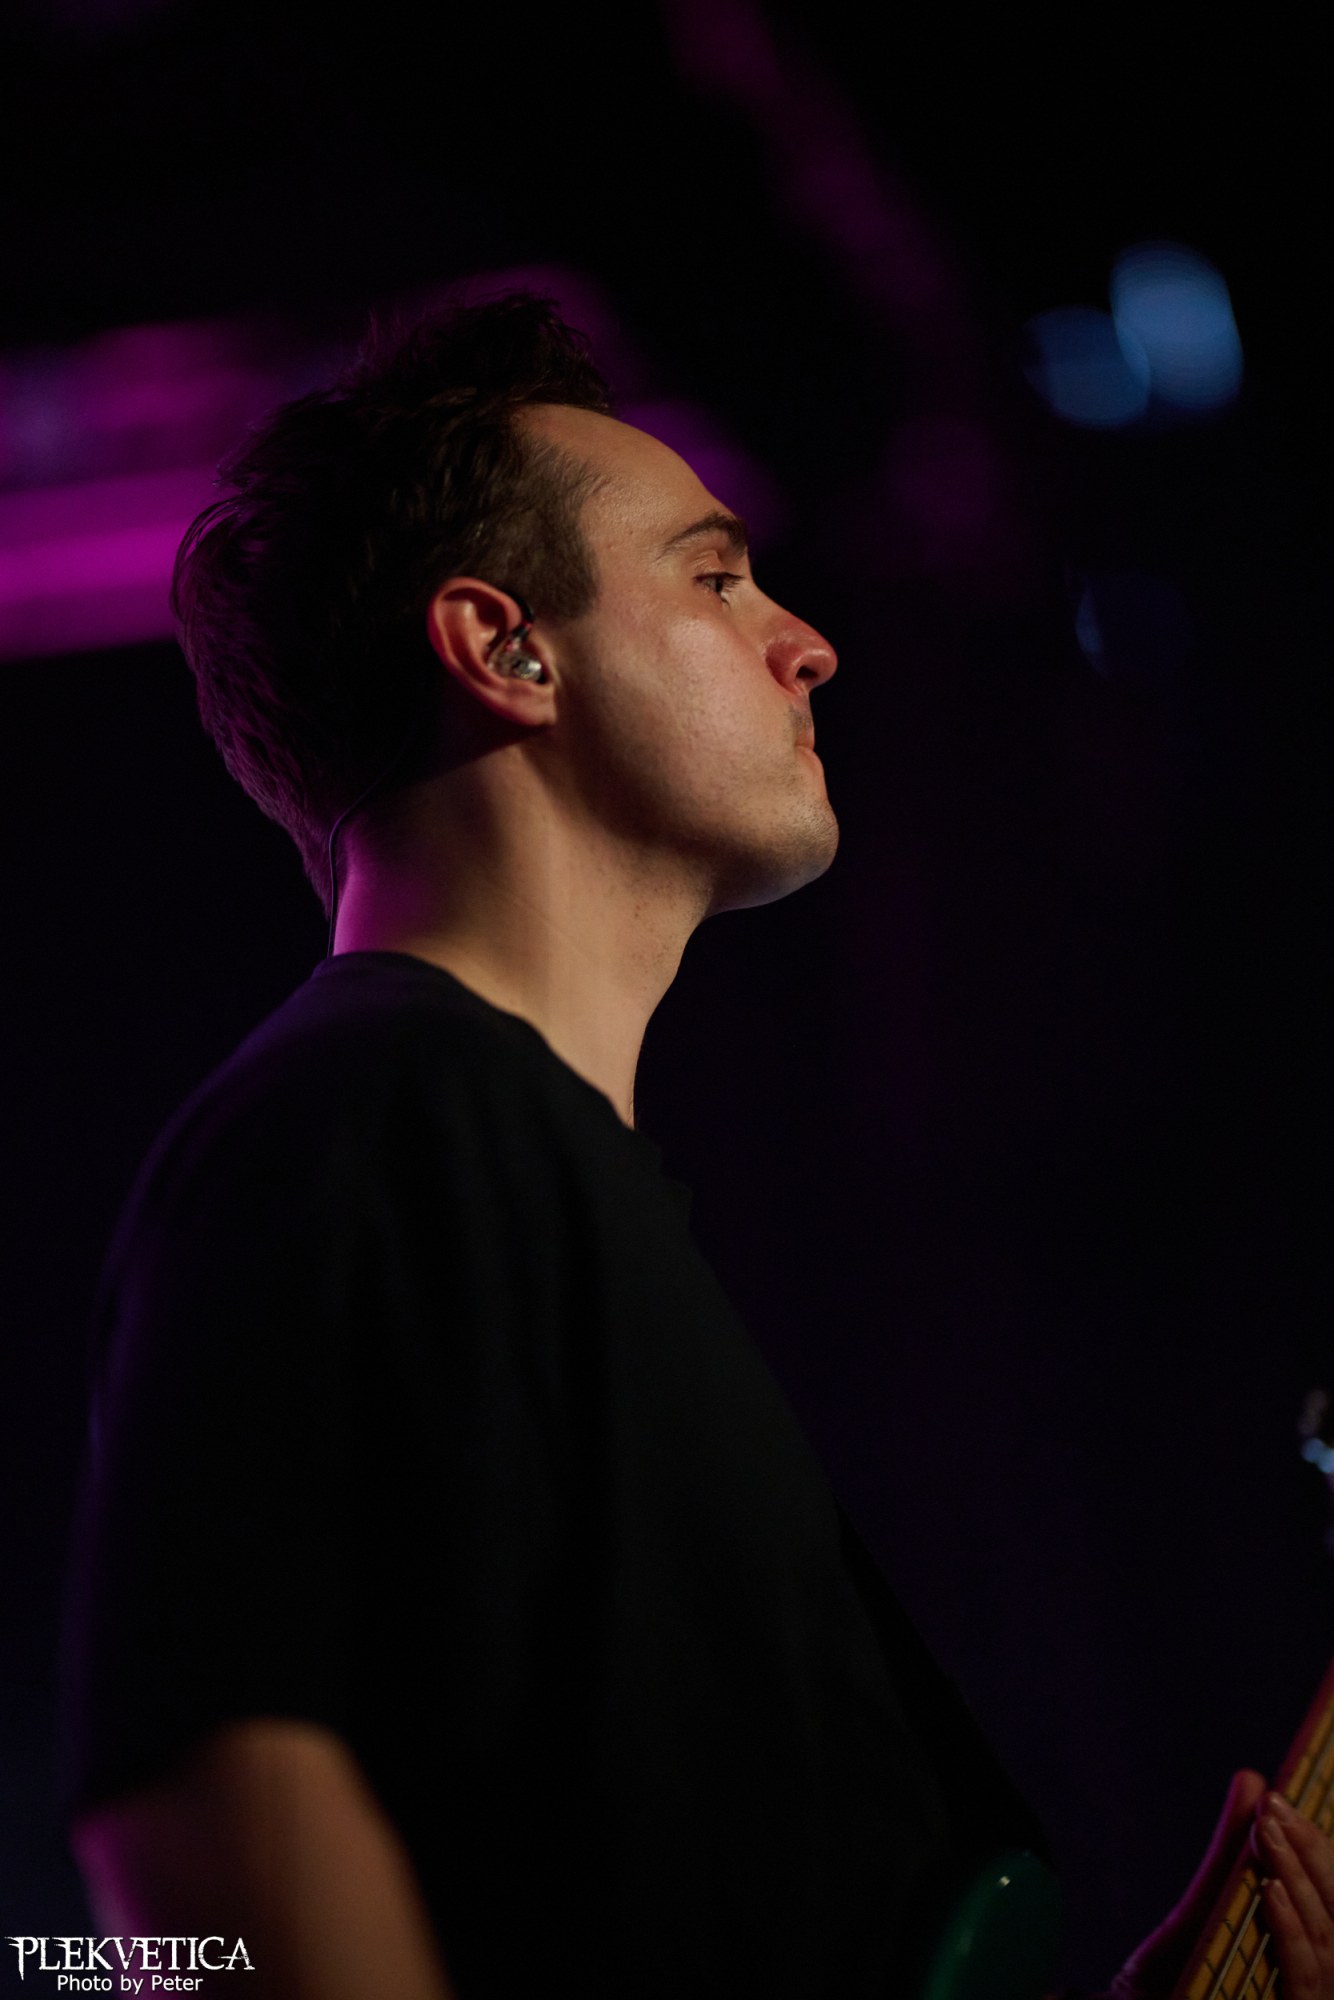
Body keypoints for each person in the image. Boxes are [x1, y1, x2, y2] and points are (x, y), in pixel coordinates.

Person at [60, 294, 1334, 1999]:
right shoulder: (381, 1109)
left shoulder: (536, 1176)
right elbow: (198, 1837)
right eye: (717, 576)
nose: (806, 643)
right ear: (505, 648)